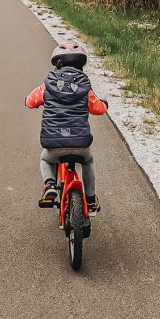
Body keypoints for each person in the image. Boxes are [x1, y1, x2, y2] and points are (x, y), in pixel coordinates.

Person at [25, 41, 108, 216]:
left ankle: (49, 184)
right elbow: (98, 110)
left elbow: (30, 102)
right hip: (80, 144)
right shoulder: (86, 88)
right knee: (88, 161)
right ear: (81, 65)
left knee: (46, 160)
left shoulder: (46, 85)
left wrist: (30, 101)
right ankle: (91, 200)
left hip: (53, 143)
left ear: (57, 64)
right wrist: (104, 105)